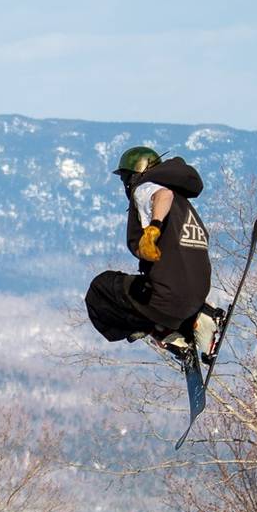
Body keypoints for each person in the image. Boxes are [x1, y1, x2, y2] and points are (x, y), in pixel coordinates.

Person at [84, 145, 223, 357]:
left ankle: (163, 330)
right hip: (197, 294)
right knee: (142, 288)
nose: (125, 184)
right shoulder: (183, 205)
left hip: (168, 299)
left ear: (134, 174)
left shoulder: (145, 186)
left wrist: (154, 228)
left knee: (101, 290)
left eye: (125, 178)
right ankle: (198, 317)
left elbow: (162, 195)